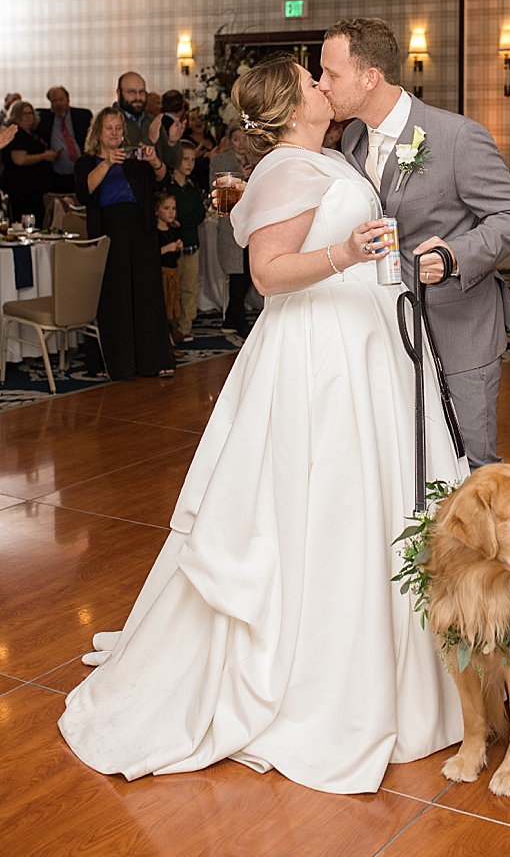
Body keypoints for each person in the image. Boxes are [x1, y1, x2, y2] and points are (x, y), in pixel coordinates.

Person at [59, 54, 466, 794]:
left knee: (370, 499)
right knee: (320, 505)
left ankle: (393, 663)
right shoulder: (287, 166)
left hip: (365, 344)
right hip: (316, 355)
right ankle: (320, 682)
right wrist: (346, 251)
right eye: (314, 82)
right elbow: (270, 273)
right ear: (289, 104)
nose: (324, 85)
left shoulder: (321, 158)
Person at [320, 17, 510, 465]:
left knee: (473, 465)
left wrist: (455, 255)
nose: (323, 85)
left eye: (331, 75)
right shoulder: (353, 137)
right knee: (412, 459)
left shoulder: (457, 137)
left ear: (369, 77)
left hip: (460, 328)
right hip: (387, 327)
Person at [73, 107, 175, 380]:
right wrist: (106, 163)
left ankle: (153, 361)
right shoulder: (86, 162)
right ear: (98, 132)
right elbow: (84, 192)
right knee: (114, 299)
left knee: (147, 296)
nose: (115, 133)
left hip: (141, 233)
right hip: (108, 235)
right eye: (109, 128)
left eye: (119, 128)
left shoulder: (135, 159)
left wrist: (154, 161)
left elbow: (163, 179)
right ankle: (119, 365)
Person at [210, 127, 253, 336]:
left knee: (249, 272)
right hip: (229, 222)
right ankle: (238, 319)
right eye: (236, 139)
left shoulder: (257, 160)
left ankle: (232, 317)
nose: (241, 144)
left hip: (251, 222)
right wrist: (240, 175)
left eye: (245, 139)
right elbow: (217, 186)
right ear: (229, 140)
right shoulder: (219, 161)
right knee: (237, 273)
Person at [166, 148, 209, 343]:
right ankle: (172, 326)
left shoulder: (193, 186)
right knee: (172, 287)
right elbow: (167, 213)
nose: (190, 163)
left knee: (190, 287)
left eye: (192, 159)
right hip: (172, 244)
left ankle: (185, 327)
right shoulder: (168, 186)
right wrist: (180, 221)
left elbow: (200, 214)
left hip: (191, 243)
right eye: (185, 159)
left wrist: (182, 222)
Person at [113, 72, 185, 172]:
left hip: (154, 186)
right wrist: (150, 141)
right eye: (132, 92)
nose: (138, 97)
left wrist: (172, 143)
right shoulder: (109, 122)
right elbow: (121, 161)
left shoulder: (152, 121)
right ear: (119, 93)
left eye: (142, 92)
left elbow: (174, 163)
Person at [2, 101, 57, 223]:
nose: (28, 117)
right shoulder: (16, 135)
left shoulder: (33, 134)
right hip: (21, 188)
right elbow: (19, 159)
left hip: (35, 189)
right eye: (24, 114)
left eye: (30, 113)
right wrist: (44, 156)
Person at [37, 86, 91, 195]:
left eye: (61, 100)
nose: (58, 104)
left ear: (68, 99)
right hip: (55, 177)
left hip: (80, 174)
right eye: (54, 101)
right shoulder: (44, 119)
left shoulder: (82, 116)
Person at [155, 190, 184, 335]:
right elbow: (152, 254)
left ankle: (173, 333)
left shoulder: (174, 229)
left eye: (173, 208)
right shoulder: (155, 233)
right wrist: (168, 248)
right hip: (161, 272)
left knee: (173, 301)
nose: (171, 212)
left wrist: (178, 246)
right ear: (156, 211)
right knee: (163, 303)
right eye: (166, 208)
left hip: (173, 271)